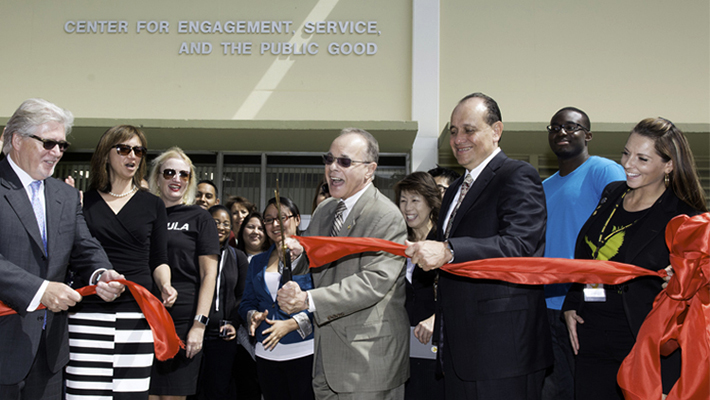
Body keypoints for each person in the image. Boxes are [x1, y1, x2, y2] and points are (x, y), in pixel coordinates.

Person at [406, 93, 552, 400]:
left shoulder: (517, 175)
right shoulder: (456, 188)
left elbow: (521, 245)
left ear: (496, 130)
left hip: (503, 352)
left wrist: (450, 250)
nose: (459, 139)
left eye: (469, 129)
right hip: (458, 350)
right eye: (454, 131)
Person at [562, 117, 707, 400]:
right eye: (626, 153)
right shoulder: (612, 193)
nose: (628, 164)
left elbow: (700, 288)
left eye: (642, 158)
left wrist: (681, 282)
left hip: (643, 344)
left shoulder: (684, 217)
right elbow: (590, 256)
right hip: (591, 335)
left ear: (669, 165)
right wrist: (572, 302)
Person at [0, 98, 124, 400]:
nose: (56, 152)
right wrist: (40, 290)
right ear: (16, 139)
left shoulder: (65, 196)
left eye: (62, 145)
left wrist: (101, 275)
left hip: (50, 353)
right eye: (48, 143)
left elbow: (84, 246)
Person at [277, 128, 409, 399]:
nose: (332, 168)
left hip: (368, 362)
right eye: (329, 159)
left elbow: (373, 283)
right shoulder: (326, 210)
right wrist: (297, 254)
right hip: (326, 358)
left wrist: (308, 300)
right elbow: (316, 261)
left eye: (344, 161)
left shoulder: (386, 216)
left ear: (370, 170)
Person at [65, 125, 177, 399]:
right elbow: (72, 255)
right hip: (87, 309)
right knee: (84, 393)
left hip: (136, 312)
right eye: (124, 149)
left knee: (131, 394)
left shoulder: (153, 205)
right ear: (106, 153)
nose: (133, 156)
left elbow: (159, 258)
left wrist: (166, 284)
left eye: (138, 150)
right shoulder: (82, 201)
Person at [541, 107, 625, 400]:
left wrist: (592, 294)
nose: (561, 132)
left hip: (589, 299)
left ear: (587, 135)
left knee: (589, 386)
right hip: (548, 301)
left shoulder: (603, 170)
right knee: (556, 389)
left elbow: (619, 233)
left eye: (571, 126)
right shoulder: (544, 186)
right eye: (555, 127)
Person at [148, 147, 219, 400]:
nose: (176, 179)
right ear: (157, 177)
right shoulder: (144, 214)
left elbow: (210, 276)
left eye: (184, 175)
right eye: (169, 173)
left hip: (183, 319)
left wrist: (199, 325)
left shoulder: (200, 217)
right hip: (144, 317)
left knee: (172, 397)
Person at [238, 196, 315, 400]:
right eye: (269, 219)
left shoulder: (313, 257)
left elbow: (324, 300)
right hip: (266, 351)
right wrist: (252, 315)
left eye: (282, 217)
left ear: (297, 219)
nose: (275, 224)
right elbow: (246, 302)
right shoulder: (257, 261)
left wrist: (292, 324)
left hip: (303, 349)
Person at [394, 172, 443, 400]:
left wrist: (437, 318)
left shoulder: (445, 243)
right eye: (403, 200)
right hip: (402, 345)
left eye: (415, 200)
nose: (407, 207)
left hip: (436, 344)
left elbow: (460, 290)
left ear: (430, 202)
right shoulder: (396, 243)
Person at [198, 205, 249, 400]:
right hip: (195, 333)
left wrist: (234, 323)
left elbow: (242, 296)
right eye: (216, 222)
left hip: (223, 337)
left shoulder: (238, 257)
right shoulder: (194, 253)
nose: (221, 227)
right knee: (193, 390)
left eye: (226, 223)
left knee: (219, 390)